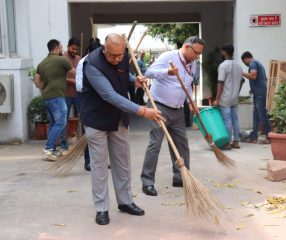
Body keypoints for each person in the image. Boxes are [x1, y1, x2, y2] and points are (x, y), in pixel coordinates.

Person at [80, 33, 164, 225]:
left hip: (118, 118)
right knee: (100, 165)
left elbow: (123, 74)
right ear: (104, 49)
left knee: (123, 162)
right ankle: (101, 208)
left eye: (120, 56)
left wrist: (134, 80)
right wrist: (142, 110)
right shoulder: (91, 64)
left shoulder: (122, 56)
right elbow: (109, 95)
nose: (117, 60)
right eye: (112, 56)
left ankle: (125, 202)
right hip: (96, 119)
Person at [140, 36, 205, 197]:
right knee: (155, 144)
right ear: (186, 47)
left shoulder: (193, 64)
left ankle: (181, 177)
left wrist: (190, 103)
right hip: (159, 106)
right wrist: (167, 71)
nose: (197, 56)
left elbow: (187, 84)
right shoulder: (168, 57)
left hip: (178, 109)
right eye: (195, 52)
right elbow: (148, 73)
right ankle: (147, 182)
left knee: (182, 144)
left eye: (199, 54)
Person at [34, 39, 75, 160]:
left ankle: (52, 150)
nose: (63, 50)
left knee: (53, 124)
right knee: (61, 122)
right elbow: (75, 73)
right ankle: (48, 148)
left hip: (46, 98)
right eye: (61, 47)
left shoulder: (41, 63)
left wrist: (44, 91)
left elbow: (37, 80)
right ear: (56, 48)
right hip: (57, 96)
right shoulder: (62, 60)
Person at [75, 37, 102, 171]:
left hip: (100, 100)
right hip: (85, 99)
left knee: (102, 131)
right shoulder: (83, 62)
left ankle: (101, 161)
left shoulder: (102, 62)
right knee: (89, 131)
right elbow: (79, 86)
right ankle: (88, 161)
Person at [213, 45, 242, 150]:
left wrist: (217, 99)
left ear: (224, 52)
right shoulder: (238, 66)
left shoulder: (223, 66)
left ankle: (227, 143)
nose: (221, 53)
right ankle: (236, 141)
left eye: (222, 52)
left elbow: (220, 83)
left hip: (225, 97)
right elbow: (242, 81)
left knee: (227, 120)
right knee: (235, 119)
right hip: (235, 97)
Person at [241, 51, 271, 144]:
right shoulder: (258, 63)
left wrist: (242, 73)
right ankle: (253, 137)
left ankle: (269, 137)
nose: (245, 64)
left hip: (260, 94)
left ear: (246, 58)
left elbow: (253, 76)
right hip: (259, 92)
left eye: (244, 61)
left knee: (262, 116)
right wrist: (252, 88)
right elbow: (264, 79)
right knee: (256, 116)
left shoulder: (253, 63)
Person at [60, 37, 81, 152]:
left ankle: (83, 144)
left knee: (83, 119)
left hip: (78, 94)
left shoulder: (79, 58)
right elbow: (59, 76)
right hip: (65, 94)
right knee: (64, 120)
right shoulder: (61, 58)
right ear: (68, 46)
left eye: (77, 49)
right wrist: (72, 81)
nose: (75, 51)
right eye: (73, 49)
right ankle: (64, 145)